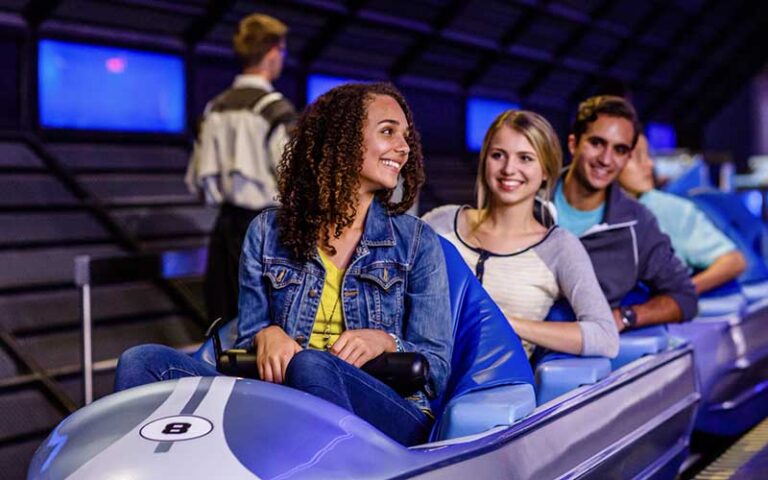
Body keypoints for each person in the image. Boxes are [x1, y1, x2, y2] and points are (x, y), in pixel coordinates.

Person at [118, 83, 453, 447]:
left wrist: (386, 341)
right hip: (281, 398)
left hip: (388, 407)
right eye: (388, 131)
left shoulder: (417, 241)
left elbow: (436, 368)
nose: (403, 148)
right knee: (143, 360)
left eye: (406, 136)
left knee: (310, 363)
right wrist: (266, 333)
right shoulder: (266, 230)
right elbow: (248, 338)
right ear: (340, 139)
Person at [422, 110, 618, 359]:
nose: (508, 169)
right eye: (498, 155)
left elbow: (605, 338)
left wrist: (504, 322)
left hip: (494, 387)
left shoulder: (559, 247)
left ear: (546, 171)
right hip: (421, 371)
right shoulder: (442, 222)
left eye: (525, 158)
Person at [185, 13, 297, 323]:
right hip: (269, 231)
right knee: (267, 326)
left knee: (224, 322)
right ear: (273, 51)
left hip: (224, 229)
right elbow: (294, 178)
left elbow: (197, 181)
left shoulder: (214, 108)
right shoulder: (276, 110)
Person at [554, 95, 698, 332]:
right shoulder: (530, 202)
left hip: (575, 358)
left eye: (619, 150)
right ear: (573, 144)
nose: (606, 159)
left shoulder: (637, 223)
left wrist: (625, 317)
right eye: (597, 143)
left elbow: (685, 298)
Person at [618, 134, 746, 294]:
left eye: (648, 156)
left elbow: (733, 261)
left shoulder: (666, 207)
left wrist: (677, 295)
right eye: (637, 158)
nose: (649, 164)